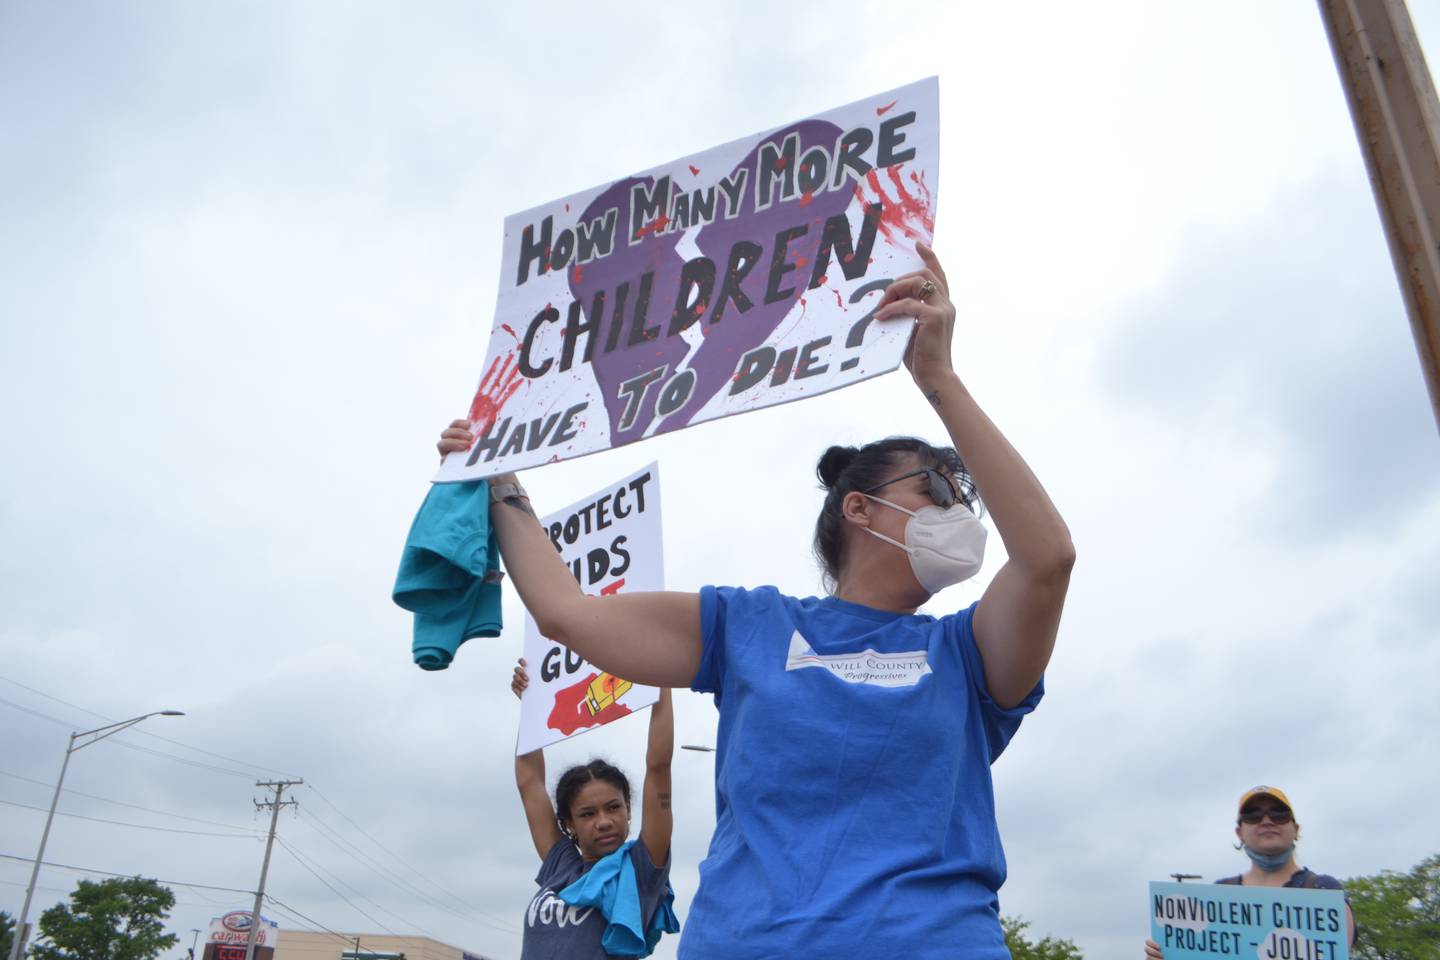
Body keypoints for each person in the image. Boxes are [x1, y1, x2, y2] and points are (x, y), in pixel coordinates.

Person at [440, 242, 1076, 958]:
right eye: (935, 489)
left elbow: (1047, 559)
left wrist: (938, 378)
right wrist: (500, 479)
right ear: (860, 511)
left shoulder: (967, 652)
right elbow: (567, 614)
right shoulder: (747, 624)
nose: (957, 513)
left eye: (965, 501)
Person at [511, 658, 677, 959]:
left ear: (628, 808)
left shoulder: (641, 869)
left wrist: (661, 682)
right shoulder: (560, 866)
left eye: (613, 807)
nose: (604, 821)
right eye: (587, 814)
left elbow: (659, 766)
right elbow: (529, 782)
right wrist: (530, 704)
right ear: (568, 823)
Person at [1143, 786, 1356, 959]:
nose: (1266, 821)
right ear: (1239, 832)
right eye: (1253, 815)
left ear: (1296, 829)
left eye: (1279, 814)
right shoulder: (1220, 894)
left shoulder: (1324, 889)